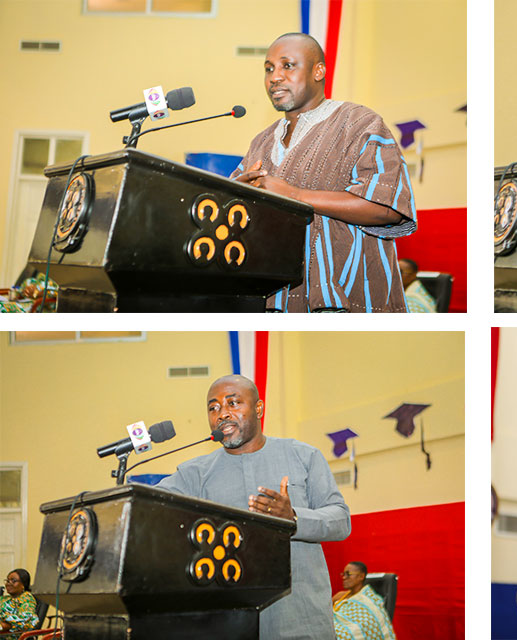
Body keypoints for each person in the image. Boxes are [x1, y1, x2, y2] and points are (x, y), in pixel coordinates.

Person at [232, 33, 416, 313]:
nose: (275, 77)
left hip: (351, 299)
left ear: (318, 71)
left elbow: (386, 208)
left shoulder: (360, 123)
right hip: (276, 300)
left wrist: (293, 195)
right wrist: (239, 194)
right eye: (269, 69)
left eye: (287, 66)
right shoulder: (261, 141)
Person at [157, 374, 351, 640]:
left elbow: (340, 519)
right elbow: (152, 506)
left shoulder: (303, 455)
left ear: (259, 409)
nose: (222, 414)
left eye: (233, 403)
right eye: (213, 408)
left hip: (298, 617)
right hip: (226, 622)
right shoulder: (195, 473)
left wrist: (293, 518)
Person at [331, 562, 396, 640]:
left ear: (361, 576)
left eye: (348, 574)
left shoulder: (369, 600)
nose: (344, 577)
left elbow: (364, 626)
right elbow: (326, 615)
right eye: (343, 574)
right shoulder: (339, 596)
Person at [1, 569, 39, 633]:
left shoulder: (26, 598)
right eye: (7, 580)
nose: (8, 583)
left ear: (23, 584)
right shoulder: (4, 598)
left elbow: (25, 619)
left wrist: (4, 625)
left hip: (12, 635)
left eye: (13, 581)